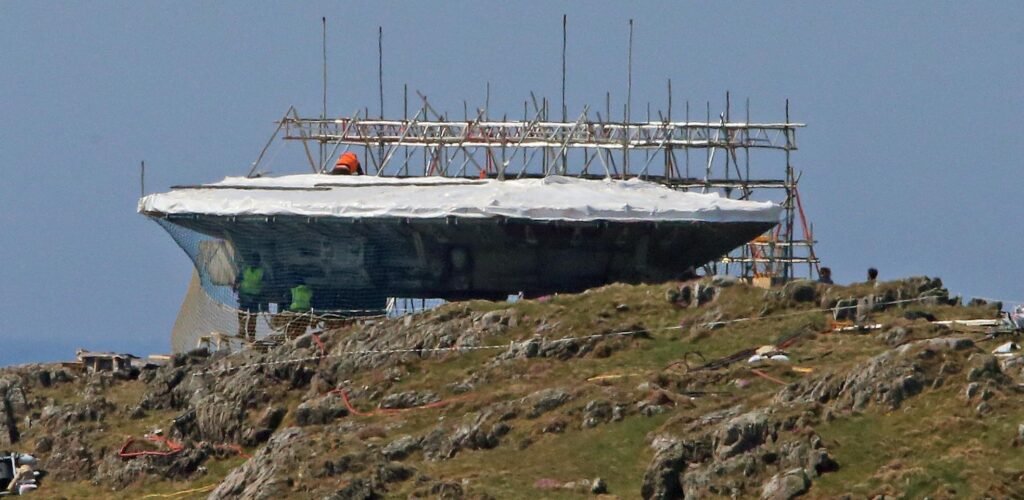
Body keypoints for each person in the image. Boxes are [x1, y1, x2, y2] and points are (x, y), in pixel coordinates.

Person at [236, 256, 264, 341]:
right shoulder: (245, 268)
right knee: (241, 314)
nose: (253, 263)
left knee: (253, 316)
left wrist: (262, 293)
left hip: (255, 298)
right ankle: (241, 332)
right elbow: (239, 277)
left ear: (258, 262)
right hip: (244, 295)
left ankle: (251, 335)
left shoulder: (262, 272)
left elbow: (265, 283)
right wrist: (235, 285)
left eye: (255, 261)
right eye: (252, 261)